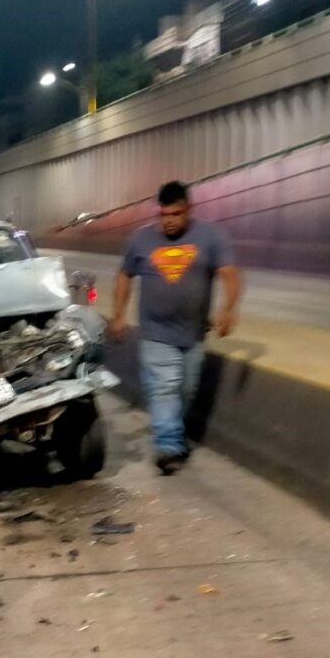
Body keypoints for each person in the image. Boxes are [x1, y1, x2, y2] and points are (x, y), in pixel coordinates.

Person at [111, 181, 241, 475]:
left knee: (185, 390)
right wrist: (118, 314)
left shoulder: (210, 236)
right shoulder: (140, 240)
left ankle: (174, 435)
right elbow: (123, 276)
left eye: (176, 214)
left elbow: (229, 274)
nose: (169, 221)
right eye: (164, 214)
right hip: (156, 333)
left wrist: (228, 308)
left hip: (193, 334)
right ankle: (168, 446)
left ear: (188, 210)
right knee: (165, 387)